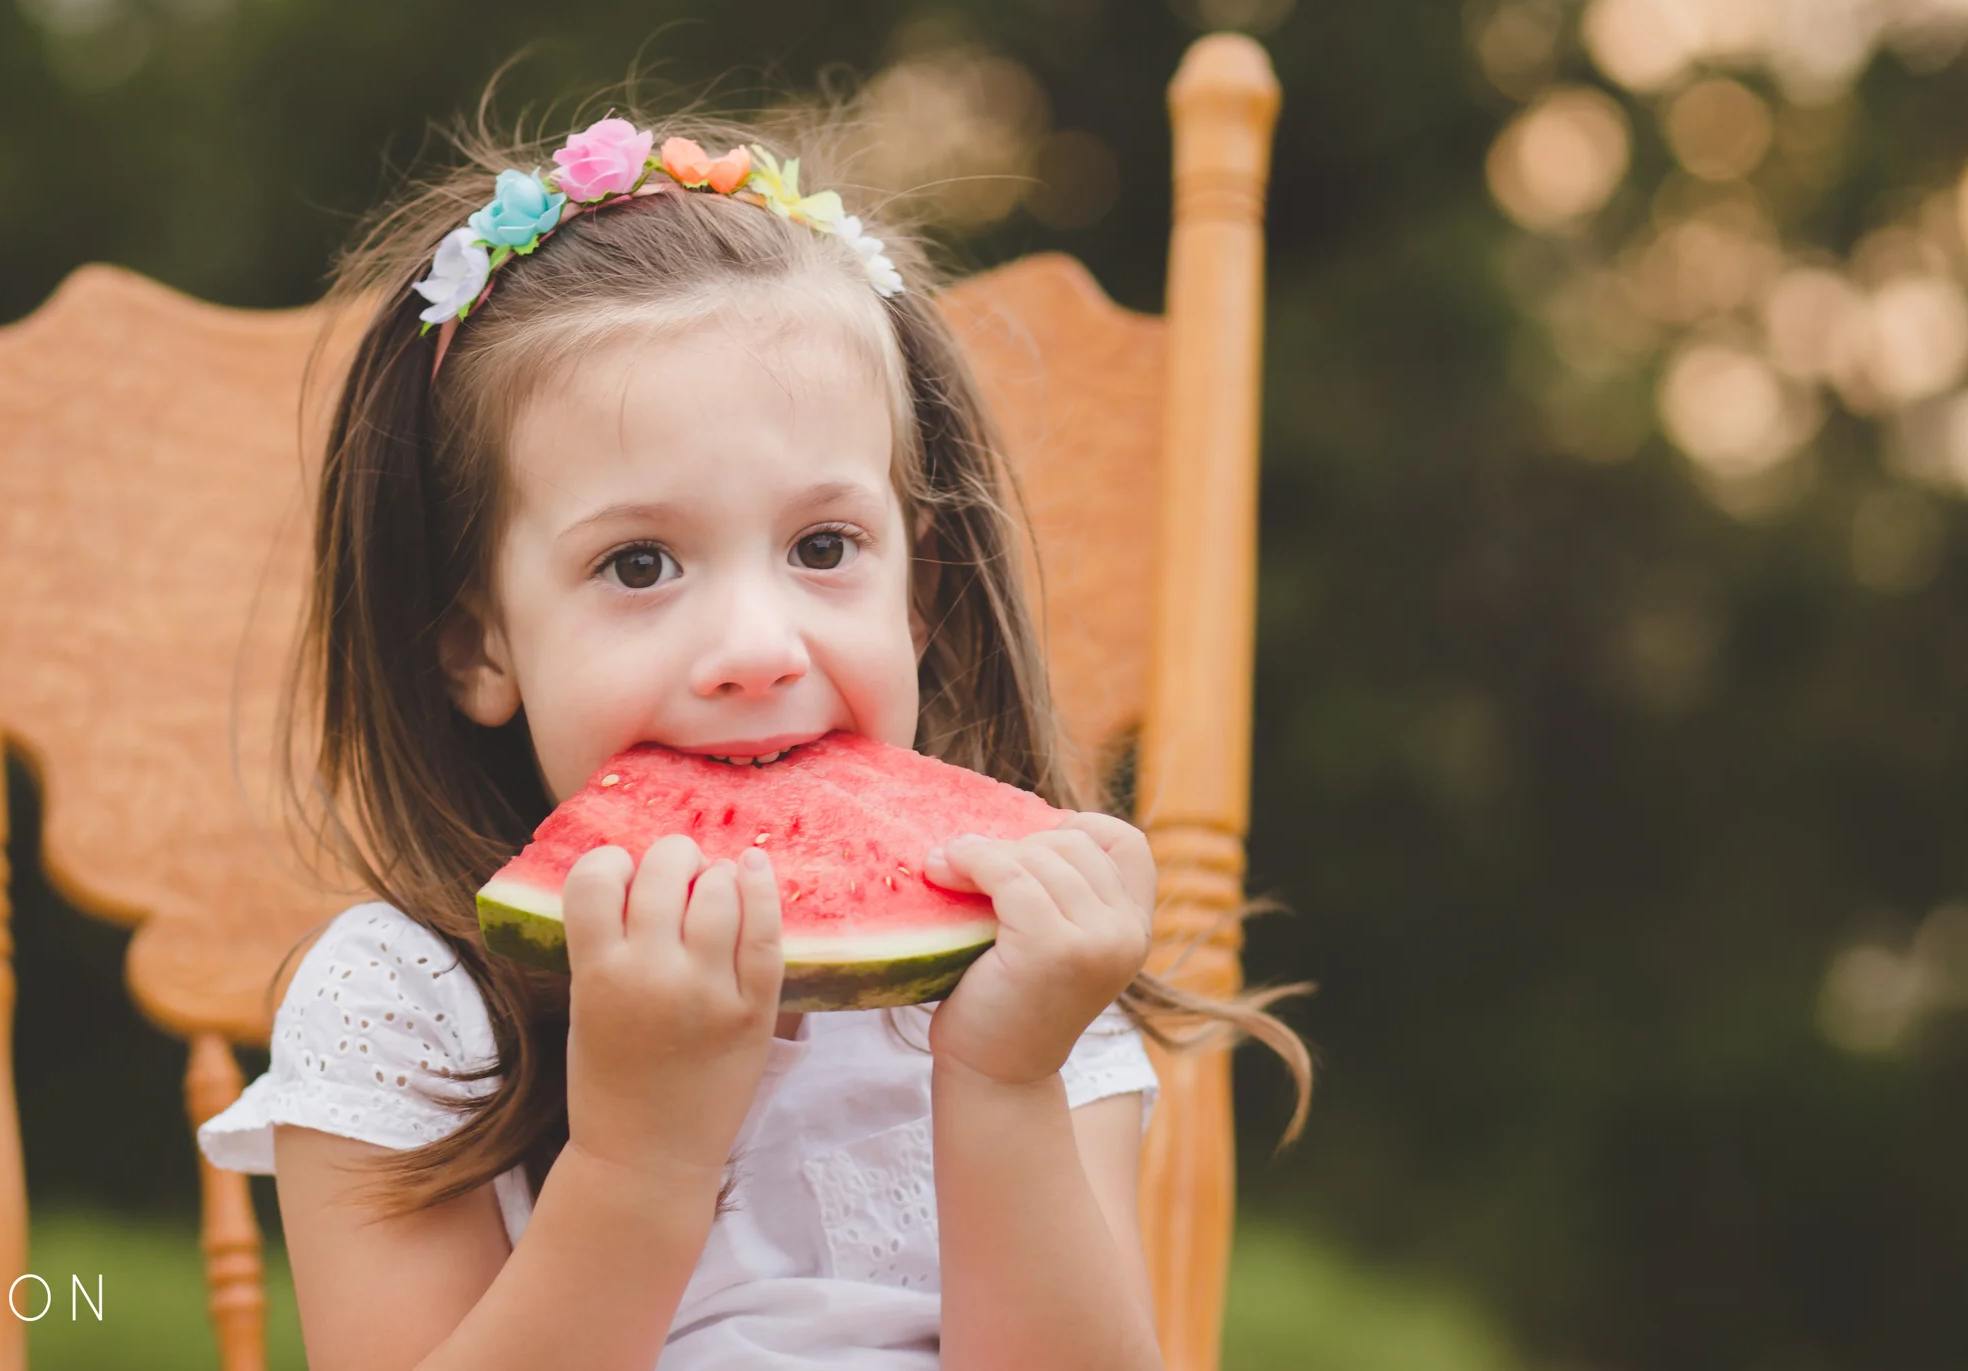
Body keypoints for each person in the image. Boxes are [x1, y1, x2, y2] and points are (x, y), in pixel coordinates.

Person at [197, 90, 1309, 1371]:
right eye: (637, 563)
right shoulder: (404, 1003)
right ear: (478, 645)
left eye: (822, 546)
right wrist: (639, 1155)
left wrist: (1002, 1082)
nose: (753, 648)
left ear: (921, 587)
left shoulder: (1028, 974)